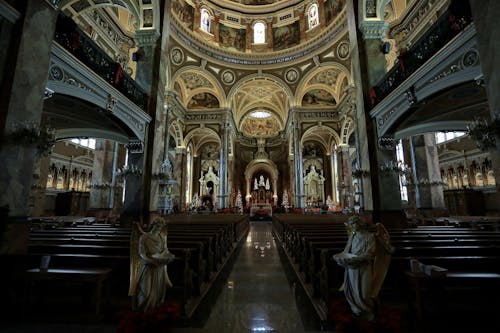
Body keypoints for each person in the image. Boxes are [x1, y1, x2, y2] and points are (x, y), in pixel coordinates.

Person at [333, 215, 392, 320]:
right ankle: (357, 311)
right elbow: (346, 251)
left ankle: (369, 311)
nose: (352, 226)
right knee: (352, 291)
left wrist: (357, 259)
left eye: (354, 223)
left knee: (365, 294)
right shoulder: (353, 237)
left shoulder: (370, 237)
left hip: (364, 267)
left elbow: (370, 253)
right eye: (351, 224)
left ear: (360, 224)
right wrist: (341, 259)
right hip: (352, 267)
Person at [132, 218, 175, 312]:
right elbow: (141, 254)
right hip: (147, 266)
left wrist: (167, 256)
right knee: (145, 291)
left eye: (161, 226)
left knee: (158, 292)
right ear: (153, 225)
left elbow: (165, 250)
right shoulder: (144, 237)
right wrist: (151, 261)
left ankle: (154, 310)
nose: (159, 228)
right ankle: (143, 310)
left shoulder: (161, 237)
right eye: (157, 226)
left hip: (159, 267)